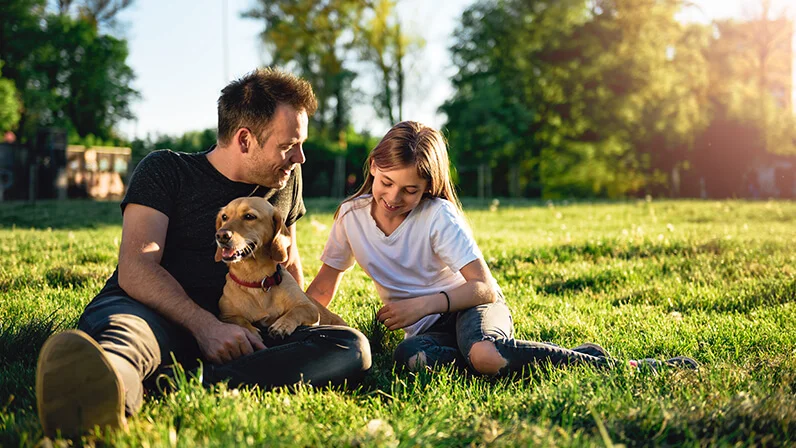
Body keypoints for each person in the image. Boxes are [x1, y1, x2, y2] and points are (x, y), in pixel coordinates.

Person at [35, 68, 371, 438]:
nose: (301, 158)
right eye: (289, 146)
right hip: (153, 311)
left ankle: (182, 383)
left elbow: (285, 261)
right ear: (244, 140)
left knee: (349, 345)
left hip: (242, 327)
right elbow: (136, 268)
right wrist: (206, 326)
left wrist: (301, 319)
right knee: (127, 339)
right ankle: (99, 390)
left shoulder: (285, 178)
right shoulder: (166, 170)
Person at [306, 121, 697, 377]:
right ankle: (560, 356)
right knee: (414, 360)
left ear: (427, 188)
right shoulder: (351, 216)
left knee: (484, 355)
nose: (394, 197)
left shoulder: (438, 216)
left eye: (410, 190)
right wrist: (296, 326)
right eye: (387, 182)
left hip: (470, 308)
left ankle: (621, 366)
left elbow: (484, 289)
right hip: (428, 332)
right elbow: (325, 283)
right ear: (374, 166)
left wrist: (422, 305)